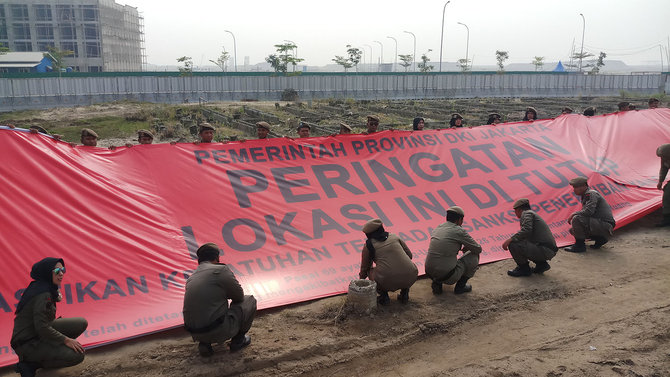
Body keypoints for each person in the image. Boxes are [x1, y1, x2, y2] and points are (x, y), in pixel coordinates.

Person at [11, 258, 88, 377]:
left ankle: (50, 349)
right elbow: (41, 327)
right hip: (28, 343)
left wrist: (55, 295)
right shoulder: (43, 294)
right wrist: (66, 340)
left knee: (81, 323)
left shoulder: (42, 287)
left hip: (37, 333)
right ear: (47, 273)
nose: (61, 273)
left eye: (63, 270)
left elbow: (43, 321)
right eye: (57, 270)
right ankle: (30, 363)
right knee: (77, 355)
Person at [183, 243, 257, 356]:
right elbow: (239, 296)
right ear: (217, 258)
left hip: (195, 333)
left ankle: (204, 344)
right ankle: (238, 340)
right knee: (249, 300)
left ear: (199, 260)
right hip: (218, 330)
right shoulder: (220, 270)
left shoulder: (192, 277)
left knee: (206, 307)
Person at [359, 219, 418, 305]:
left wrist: (361, 280)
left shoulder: (369, 245)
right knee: (406, 267)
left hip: (387, 281)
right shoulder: (394, 237)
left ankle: (384, 296)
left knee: (369, 271)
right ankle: (404, 293)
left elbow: (365, 267)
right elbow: (409, 256)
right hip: (411, 277)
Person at [425, 206, 482, 294]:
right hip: (447, 276)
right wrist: (468, 247)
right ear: (460, 219)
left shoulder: (438, 228)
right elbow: (478, 249)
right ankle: (460, 287)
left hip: (429, 272)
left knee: (441, 258)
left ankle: (437, 283)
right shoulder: (458, 230)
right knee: (473, 255)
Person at [503, 199, 558, 277]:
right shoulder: (531, 214)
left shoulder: (526, 214)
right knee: (523, 242)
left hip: (544, 249)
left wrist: (510, 239)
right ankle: (541, 265)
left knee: (513, 244)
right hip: (547, 249)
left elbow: (527, 230)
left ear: (518, 209)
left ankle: (524, 269)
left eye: (515, 211)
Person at [564, 177, 616, 252]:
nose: (574, 190)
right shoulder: (586, 195)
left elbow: (589, 211)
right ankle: (600, 239)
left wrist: (573, 214)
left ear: (583, 186)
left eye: (575, 187)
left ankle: (579, 246)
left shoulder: (591, 194)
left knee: (576, 219)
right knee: (573, 230)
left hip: (605, 224)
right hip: (602, 224)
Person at [656, 144, 670, 227]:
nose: (662, 158)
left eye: (664, 156)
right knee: (667, 191)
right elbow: (664, 169)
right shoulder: (665, 158)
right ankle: (667, 218)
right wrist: (660, 181)